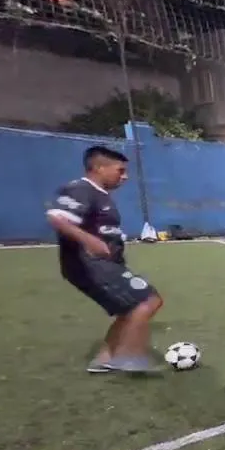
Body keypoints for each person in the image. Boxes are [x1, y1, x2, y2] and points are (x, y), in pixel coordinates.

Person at [45, 146, 164, 373]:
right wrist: (90, 241)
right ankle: (130, 358)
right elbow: (57, 218)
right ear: (99, 167)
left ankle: (104, 360)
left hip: (105, 264)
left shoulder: (100, 195)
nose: (125, 177)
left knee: (130, 309)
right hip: (89, 264)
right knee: (147, 300)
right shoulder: (81, 189)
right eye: (120, 171)